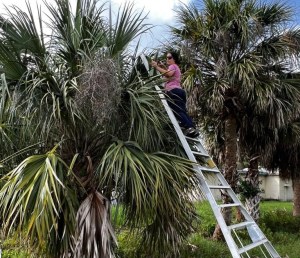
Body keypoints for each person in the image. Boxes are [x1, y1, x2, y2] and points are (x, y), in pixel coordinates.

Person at [150, 51, 199, 137]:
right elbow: (169, 74)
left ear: (174, 59)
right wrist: (163, 67)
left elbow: (169, 74)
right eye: (167, 58)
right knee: (182, 111)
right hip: (179, 91)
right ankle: (191, 127)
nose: (167, 59)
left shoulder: (173, 66)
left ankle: (189, 127)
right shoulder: (176, 67)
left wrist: (156, 66)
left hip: (173, 91)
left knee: (177, 110)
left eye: (169, 57)